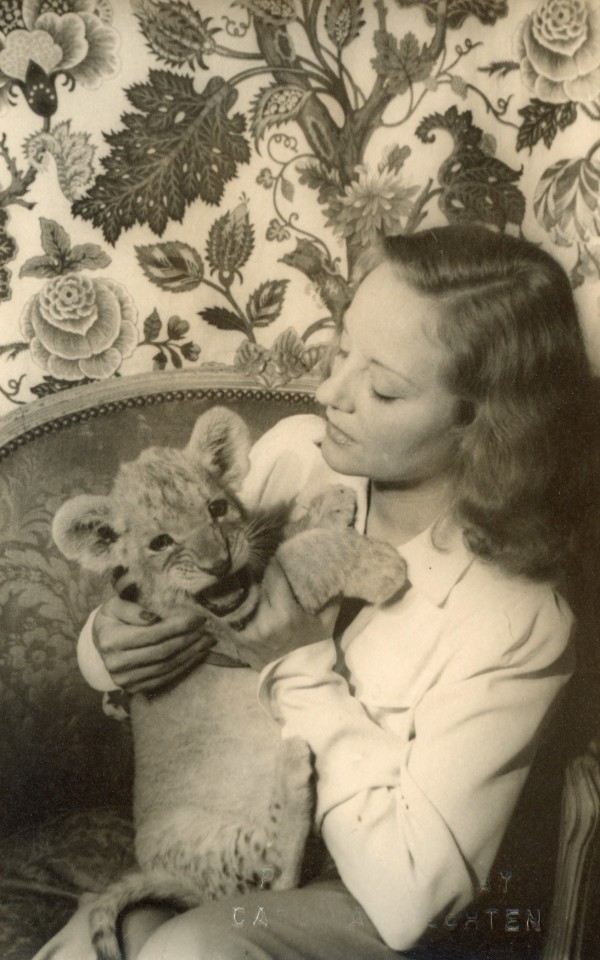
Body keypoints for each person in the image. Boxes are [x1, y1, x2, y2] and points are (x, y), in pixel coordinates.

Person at [34, 224, 593, 960]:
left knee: (192, 948)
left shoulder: (516, 616)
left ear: (481, 421)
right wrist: (108, 645)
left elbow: (407, 897)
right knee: (107, 941)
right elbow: (166, 605)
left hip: (366, 892)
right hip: (233, 828)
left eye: (383, 387)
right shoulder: (299, 456)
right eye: (340, 350)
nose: (329, 391)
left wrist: (298, 664)